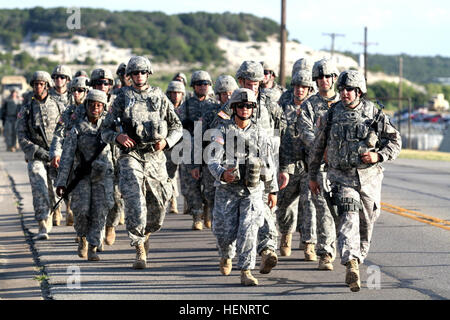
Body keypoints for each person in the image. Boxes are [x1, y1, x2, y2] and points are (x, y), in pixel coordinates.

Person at [308, 70, 401, 291]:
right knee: (349, 216)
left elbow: (395, 141)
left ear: (359, 91)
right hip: (342, 178)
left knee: (367, 222)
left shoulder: (374, 114)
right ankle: (351, 263)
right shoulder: (331, 115)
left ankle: (357, 256)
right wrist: (312, 175)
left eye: (349, 89)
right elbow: (317, 148)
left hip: (369, 178)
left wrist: (378, 156)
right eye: (341, 89)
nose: (344, 93)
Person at [101, 56, 183, 269]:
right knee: (135, 200)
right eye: (134, 73)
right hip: (131, 156)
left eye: (142, 72)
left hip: (155, 156)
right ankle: (138, 247)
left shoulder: (159, 97)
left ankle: (146, 234)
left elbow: (176, 126)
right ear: (129, 76)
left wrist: (167, 141)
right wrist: (118, 138)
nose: (138, 76)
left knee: (158, 205)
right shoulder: (122, 98)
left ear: (148, 74)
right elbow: (106, 129)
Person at [208, 88, 278, 286]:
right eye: (241, 105)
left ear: (253, 108)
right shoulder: (222, 131)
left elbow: (270, 162)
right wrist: (223, 173)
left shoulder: (260, 134)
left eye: (249, 106)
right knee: (224, 234)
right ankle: (225, 254)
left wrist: (272, 190)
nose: (245, 109)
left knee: (249, 229)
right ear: (234, 108)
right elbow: (212, 159)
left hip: (253, 191)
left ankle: (246, 270)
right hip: (227, 190)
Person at [56, 89, 114, 261]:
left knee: (100, 211)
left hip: (103, 176)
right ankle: (82, 237)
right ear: (86, 106)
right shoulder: (77, 129)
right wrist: (61, 183)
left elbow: (118, 155)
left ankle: (93, 246)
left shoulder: (110, 130)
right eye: (92, 105)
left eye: (99, 105)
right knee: (81, 210)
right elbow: (66, 157)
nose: (95, 108)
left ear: (104, 107)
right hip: (82, 177)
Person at [297, 58, 340, 268]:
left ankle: (351, 254)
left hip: (344, 167)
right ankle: (326, 253)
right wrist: (321, 149)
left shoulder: (345, 101)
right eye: (320, 77)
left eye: (327, 76)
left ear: (334, 78)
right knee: (323, 209)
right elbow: (305, 132)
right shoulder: (309, 105)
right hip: (320, 167)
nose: (324, 80)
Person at [16, 71, 65, 240]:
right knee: (39, 186)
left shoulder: (58, 105)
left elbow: (66, 130)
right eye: (35, 84)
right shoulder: (26, 108)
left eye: (41, 84)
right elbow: (21, 135)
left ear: (47, 86)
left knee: (64, 188)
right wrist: (36, 151)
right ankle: (43, 223)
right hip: (37, 154)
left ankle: (65, 212)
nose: (38, 87)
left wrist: (58, 151)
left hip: (57, 154)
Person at [276, 70, 315, 257]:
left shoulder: (315, 106)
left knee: (310, 204)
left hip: (308, 164)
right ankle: (286, 235)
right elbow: (276, 132)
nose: (300, 90)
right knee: (284, 204)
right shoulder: (283, 104)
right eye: (297, 86)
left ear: (309, 89)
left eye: (304, 87)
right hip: (287, 161)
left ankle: (308, 243)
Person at [177, 70, 219, 230]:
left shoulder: (214, 105)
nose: (203, 87)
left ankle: (208, 211)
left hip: (209, 150)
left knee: (210, 187)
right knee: (190, 186)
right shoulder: (186, 106)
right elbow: (178, 127)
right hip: (189, 149)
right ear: (194, 86)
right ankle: (197, 216)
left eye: (206, 84)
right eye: (200, 84)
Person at [50, 76, 90, 227]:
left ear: (87, 91)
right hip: (71, 158)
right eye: (74, 91)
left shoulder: (96, 110)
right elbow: (58, 135)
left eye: (80, 90)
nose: (76, 94)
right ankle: (81, 234)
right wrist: (55, 153)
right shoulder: (68, 113)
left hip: (90, 159)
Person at [90, 67, 124, 243]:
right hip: (96, 160)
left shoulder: (119, 103)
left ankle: (111, 226)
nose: (103, 86)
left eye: (106, 83)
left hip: (118, 156)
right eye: (98, 83)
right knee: (97, 199)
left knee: (117, 198)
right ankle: (96, 233)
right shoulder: (85, 106)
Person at [165, 80, 186, 214]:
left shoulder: (187, 108)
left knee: (185, 177)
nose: (176, 96)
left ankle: (187, 202)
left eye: (178, 93)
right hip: (170, 147)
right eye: (173, 93)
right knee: (169, 176)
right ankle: (172, 201)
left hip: (185, 146)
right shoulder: (165, 107)